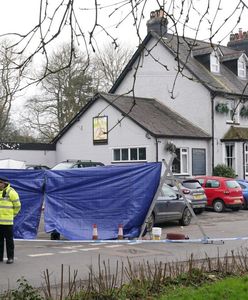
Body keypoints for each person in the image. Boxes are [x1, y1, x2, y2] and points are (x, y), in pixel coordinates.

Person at [0, 177, 21, 264]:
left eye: (0, 183)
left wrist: (13, 215)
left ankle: (10, 258)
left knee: (9, 241)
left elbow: (17, 206)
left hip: (8, 222)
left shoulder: (11, 192)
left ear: (4, 183)